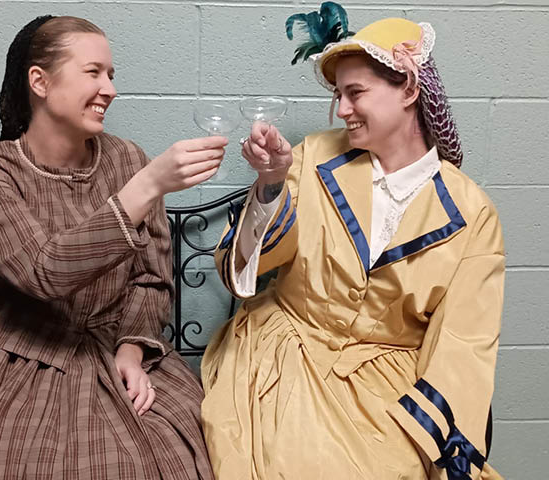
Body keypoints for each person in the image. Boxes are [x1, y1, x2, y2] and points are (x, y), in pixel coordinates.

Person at [0, 15, 222, 479]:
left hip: (106, 345)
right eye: (93, 72)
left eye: (111, 75)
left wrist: (132, 349)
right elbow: (45, 271)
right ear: (39, 81)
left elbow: (151, 277)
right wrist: (149, 185)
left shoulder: (127, 159)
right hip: (4, 343)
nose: (110, 89)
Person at [201, 3, 505, 479]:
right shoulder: (313, 156)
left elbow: (464, 343)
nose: (341, 109)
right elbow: (243, 268)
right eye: (339, 94)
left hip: (388, 388)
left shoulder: (473, 212)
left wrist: (444, 452)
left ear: (408, 88)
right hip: (286, 355)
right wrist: (273, 185)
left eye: (355, 92)